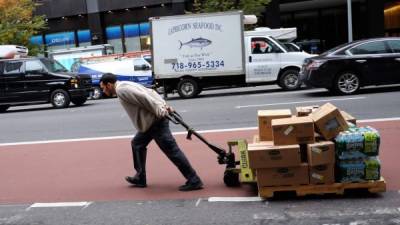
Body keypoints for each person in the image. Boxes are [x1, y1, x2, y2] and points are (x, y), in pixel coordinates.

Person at [99, 73, 203, 191]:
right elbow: (151, 92)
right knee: (137, 144)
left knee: (172, 151)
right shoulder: (124, 85)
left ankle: (194, 180)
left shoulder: (122, 90)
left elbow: (145, 98)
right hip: (149, 124)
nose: (103, 90)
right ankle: (140, 177)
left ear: (109, 84)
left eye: (103, 87)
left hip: (156, 123)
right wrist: (164, 105)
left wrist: (161, 110)